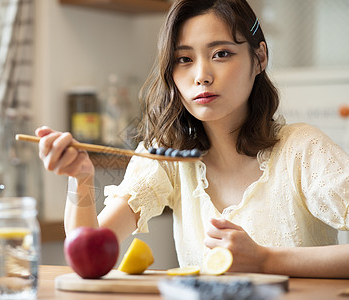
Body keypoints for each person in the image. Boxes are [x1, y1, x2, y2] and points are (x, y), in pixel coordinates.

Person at [36, 0, 349, 278]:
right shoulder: (167, 158)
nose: (202, 75)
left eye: (221, 53)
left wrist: (265, 260)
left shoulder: (303, 150)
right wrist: (80, 179)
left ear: (259, 58)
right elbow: (88, 259)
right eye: (184, 59)